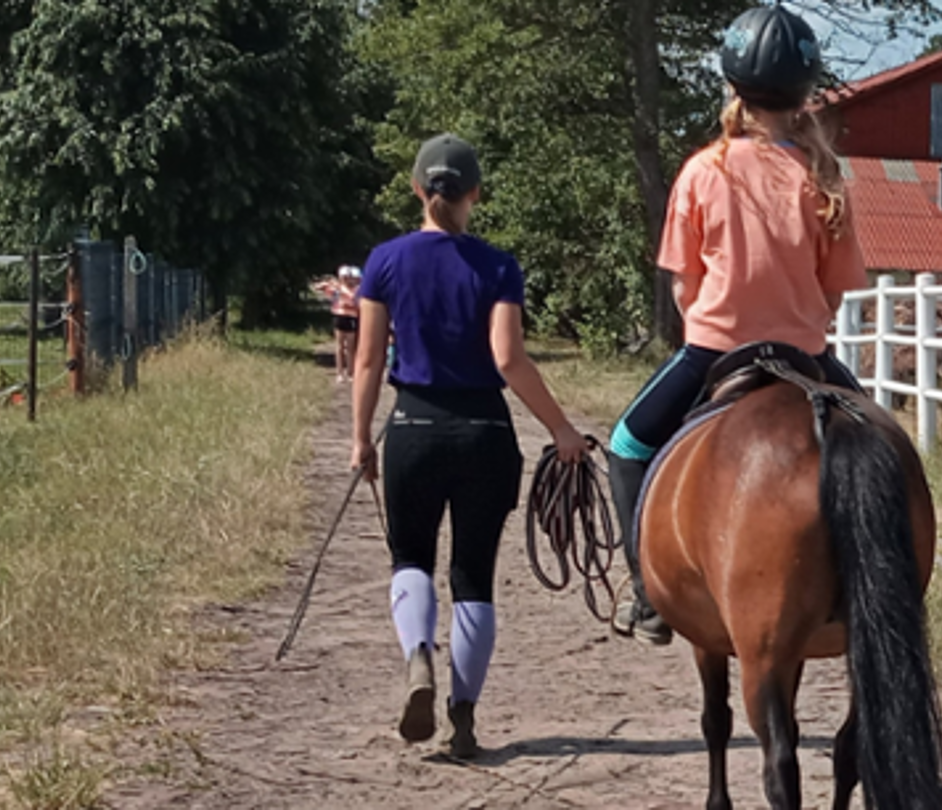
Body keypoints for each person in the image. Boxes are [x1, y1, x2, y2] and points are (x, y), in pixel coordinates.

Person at [606, 5, 868, 645]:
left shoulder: (703, 170)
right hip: (806, 354)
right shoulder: (825, 176)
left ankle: (647, 595)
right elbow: (835, 291)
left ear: (733, 87)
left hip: (715, 350)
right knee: (878, 455)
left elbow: (683, 284)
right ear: (804, 94)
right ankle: (866, 586)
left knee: (627, 445)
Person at [352, 133, 590, 758]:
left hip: (413, 428)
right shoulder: (498, 266)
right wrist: (562, 429)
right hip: (486, 432)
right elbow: (508, 359)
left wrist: (359, 440)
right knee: (474, 578)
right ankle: (463, 717)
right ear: (475, 193)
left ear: (416, 189)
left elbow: (370, 360)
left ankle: (417, 659)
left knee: (411, 560)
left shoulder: (385, 261)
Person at [313, 266, 363, 383]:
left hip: (352, 317)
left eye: (348, 277)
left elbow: (356, 302)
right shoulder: (337, 288)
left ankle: (351, 372)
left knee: (350, 347)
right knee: (339, 346)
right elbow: (319, 287)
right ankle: (339, 373)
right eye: (344, 277)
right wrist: (328, 283)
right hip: (339, 317)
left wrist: (348, 301)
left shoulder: (356, 290)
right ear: (340, 278)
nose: (347, 280)